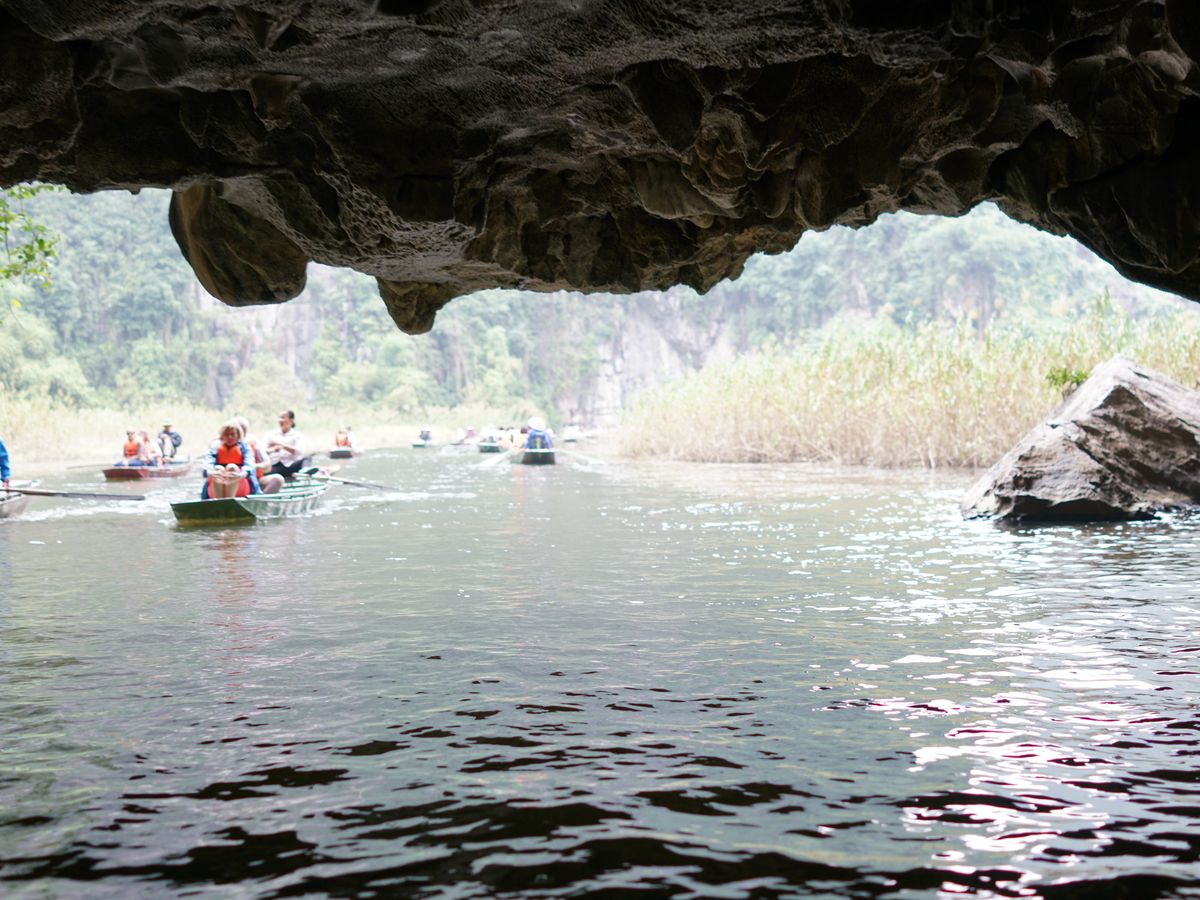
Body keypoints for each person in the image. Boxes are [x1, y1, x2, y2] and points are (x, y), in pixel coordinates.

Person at [201, 421, 262, 499]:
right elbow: (209, 462)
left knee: (232, 467)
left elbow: (249, 463)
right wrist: (210, 472)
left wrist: (242, 474)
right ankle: (218, 501)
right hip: (217, 484)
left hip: (240, 482)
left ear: (238, 435)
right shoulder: (215, 447)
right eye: (227, 434)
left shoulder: (245, 448)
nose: (230, 437)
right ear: (222, 436)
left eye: (232, 434)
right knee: (218, 468)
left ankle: (229, 500)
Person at [234, 416, 284, 494]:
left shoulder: (252, 441)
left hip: (255, 479)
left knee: (278, 479)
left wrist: (252, 467)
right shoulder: (224, 442)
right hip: (235, 479)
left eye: (244, 429)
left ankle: (261, 499)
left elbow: (267, 466)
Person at [263, 409, 307, 478]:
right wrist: (272, 450)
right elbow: (262, 451)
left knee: (307, 458)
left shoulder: (297, 436)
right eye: (280, 417)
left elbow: (299, 452)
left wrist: (282, 446)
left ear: (291, 421)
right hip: (274, 464)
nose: (281, 420)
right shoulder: (270, 435)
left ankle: (305, 471)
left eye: (283, 418)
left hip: (290, 465)